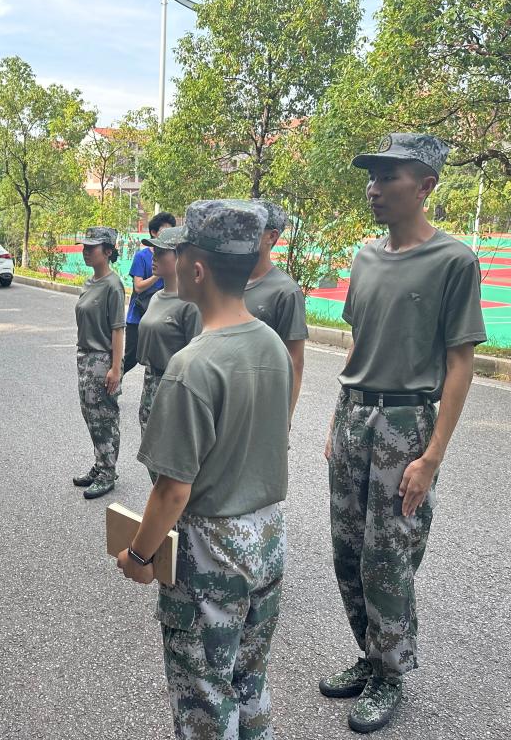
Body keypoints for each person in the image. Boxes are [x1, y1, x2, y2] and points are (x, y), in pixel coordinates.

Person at [321, 133, 487, 733]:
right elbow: (358, 344)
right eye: (372, 176)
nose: (374, 188)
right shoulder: (364, 258)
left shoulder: (453, 261)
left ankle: (390, 675)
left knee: (388, 557)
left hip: (405, 423)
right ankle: (370, 657)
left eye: (389, 176)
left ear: (425, 186)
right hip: (354, 416)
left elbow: (460, 363)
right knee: (347, 552)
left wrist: (432, 456)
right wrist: (336, 421)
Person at [117, 199, 292, 740]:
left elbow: (173, 490)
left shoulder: (192, 366)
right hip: (267, 535)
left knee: (204, 696)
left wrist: (139, 555)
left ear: (197, 268)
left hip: (211, 548)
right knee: (249, 678)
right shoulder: (270, 342)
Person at [135, 225, 201, 482]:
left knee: (169, 461)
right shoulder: (156, 297)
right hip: (151, 382)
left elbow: (196, 359)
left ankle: (172, 504)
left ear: (180, 257)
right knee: (151, 454)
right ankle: (162, 501)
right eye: (154, 250)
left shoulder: (190, 305)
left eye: (161, 252)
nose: (154, 256)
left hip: (173, 387)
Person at [72, 226, 126, 500]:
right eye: (84, 247)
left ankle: (107, 472)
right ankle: (101, 463)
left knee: (104, 418)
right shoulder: (90, 282)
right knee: (91, 416)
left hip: (102, 360)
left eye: (91, 248)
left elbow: (118, 330)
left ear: (107, 251)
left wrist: (115, 368)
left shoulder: (113, 285)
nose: (86, 252)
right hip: (85, 358)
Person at [243, 211, 308, 418]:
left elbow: (294, 361)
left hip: (261, 407)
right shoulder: (228, 281)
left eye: (252, 227)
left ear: (271, 236)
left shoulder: (286, 292)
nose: (242, 232)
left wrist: (285, 418)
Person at [123, 212, 175, 373]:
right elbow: (138, 287)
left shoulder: (173, 258)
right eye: (164, 231)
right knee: (131, 358)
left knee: (156, 359)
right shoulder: (142, 256)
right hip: (138, 316)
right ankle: (113, 381)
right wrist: (157, 274)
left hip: (160, 315)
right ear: (153, 232)